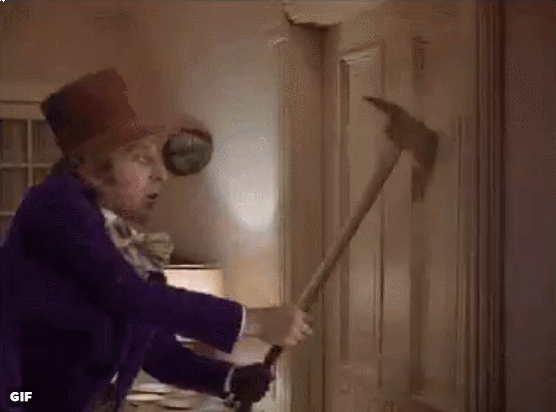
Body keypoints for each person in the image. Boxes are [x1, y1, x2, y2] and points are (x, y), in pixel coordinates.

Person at [0, 69, 311, 412]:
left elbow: (157, 350)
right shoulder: (56, 203)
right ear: (90, 170)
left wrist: (228, 379)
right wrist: (253, 321)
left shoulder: (121, 241)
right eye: (140, 158)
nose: (160, 175)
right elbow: (127, 294)